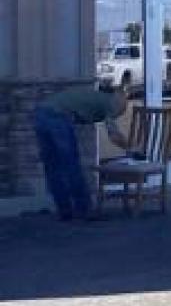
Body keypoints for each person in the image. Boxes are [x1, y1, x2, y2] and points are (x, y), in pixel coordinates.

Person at [32, 85, 128, 220]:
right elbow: (114, 135)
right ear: (118, 99)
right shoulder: (110, 102)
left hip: (40, 114)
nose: (118, 113)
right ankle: (84, 210)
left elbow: (78, 113)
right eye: (121, 110)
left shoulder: (97, 97)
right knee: (71, 165)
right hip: (57, 117)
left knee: (53, 168)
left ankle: (65, 211)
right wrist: (130, 148)